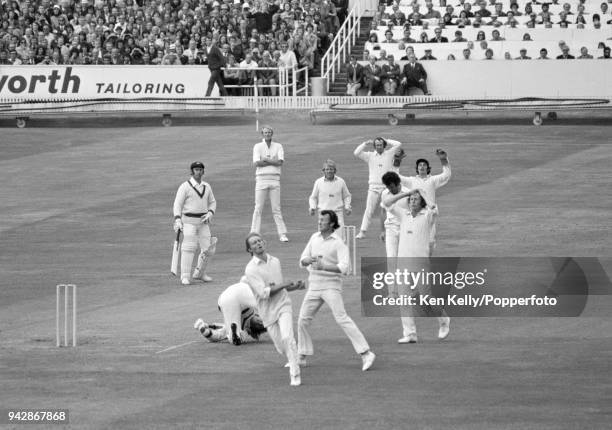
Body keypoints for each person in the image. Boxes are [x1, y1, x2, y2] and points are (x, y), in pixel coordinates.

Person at [297, 210, 376, 371]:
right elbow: (302, 260)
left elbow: (345, 268)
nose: (319, 222)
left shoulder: (339, 243)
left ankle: (366, 353)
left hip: (331, 286)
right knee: (302, 320)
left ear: (331, 224)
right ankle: (301, 356)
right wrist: (307, 260)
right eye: (319, 220)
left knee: (341, 318)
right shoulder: (314, 237)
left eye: (323, 220)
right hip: (314, 285)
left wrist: (324, 266)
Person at [383, 189, 450, 343]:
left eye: (416, 200)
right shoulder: (403, 214)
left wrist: (423, 194)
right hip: (403, 263)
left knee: (426, 297)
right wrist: (406, 194)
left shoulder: (427, 216)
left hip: (420, 263)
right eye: (411, 199)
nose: (412, 202)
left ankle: (443, 320)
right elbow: (386, 202)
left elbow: (434, 208)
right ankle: (410, 334)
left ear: (421, 203)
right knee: (404, 299)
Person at [244, 233, 305, 386]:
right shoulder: (250, 269)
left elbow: (279, 288)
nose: (258, 244)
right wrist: (284, 285)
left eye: (259, 241)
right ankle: (294, 356)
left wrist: (295, 287)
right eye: (254, 243)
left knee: (287, 337)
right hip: (267, 312)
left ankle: (295, 373)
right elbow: (264, 293)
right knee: (281, 347)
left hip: (283, 305)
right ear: (249, 249)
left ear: (264, 243)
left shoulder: (275, 261)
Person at [173, 162, 217, 285]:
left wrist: (210, 213)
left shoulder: (206, 186)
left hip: (203, 222)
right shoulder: (185, 186)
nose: (198, 172)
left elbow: (213, 202)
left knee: (208, 248)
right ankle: (185, 276)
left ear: (203, 172)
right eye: (196, 170)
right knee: (189, 247)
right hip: (188, 221)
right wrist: (177, 219)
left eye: (200, 170)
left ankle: (200, 273)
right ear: (192, 171)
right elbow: (177, 204)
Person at [399, 149, 451, 248]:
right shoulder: (411, 181)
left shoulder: (432, 180)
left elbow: (446, 175)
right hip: (415, 213)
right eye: (420, 165)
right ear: (417, 168)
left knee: (430, 242)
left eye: (424, 165)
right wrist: (397, 161)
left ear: (428, 168)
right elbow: (396, 177)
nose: (422, 167)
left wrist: (443, 159)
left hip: (429, 213)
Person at [193, 277, 267, 344]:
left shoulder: (245, 327)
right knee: (232, 335)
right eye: (261, 322)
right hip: (230, 298)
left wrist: (206, 328)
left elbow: (223, 329)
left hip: (226, 301)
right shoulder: (252, 308)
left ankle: (233, 336)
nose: (260, 322)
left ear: (252, 328)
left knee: (230, 334)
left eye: (259, 325)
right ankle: (235, 335)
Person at [250, 126, 289, 242]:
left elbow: (280, 162)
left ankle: (282, 234)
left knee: (276, 209)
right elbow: (257, 163)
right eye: (265, 132)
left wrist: (266, 160)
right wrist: (273, 161)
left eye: (269, 132)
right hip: (261, 179)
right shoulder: (258, 146)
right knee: (258, 208)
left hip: (275, 179)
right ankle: (254, 233)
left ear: (272, 133)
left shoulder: (278, 146)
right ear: (262, 134)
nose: (267, 134)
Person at [308, 160, 352, 226]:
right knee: (324, 235)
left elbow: (347, 196)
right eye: (327, 169)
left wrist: (347, 207)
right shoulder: (318, 182)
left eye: (331, 169)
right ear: (323, 171)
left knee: (338, 235)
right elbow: (313, 197)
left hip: (337, 214)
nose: (329, 171)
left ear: (335, 170)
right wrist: (312, 207)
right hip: (323, 214)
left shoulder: (341, 181)